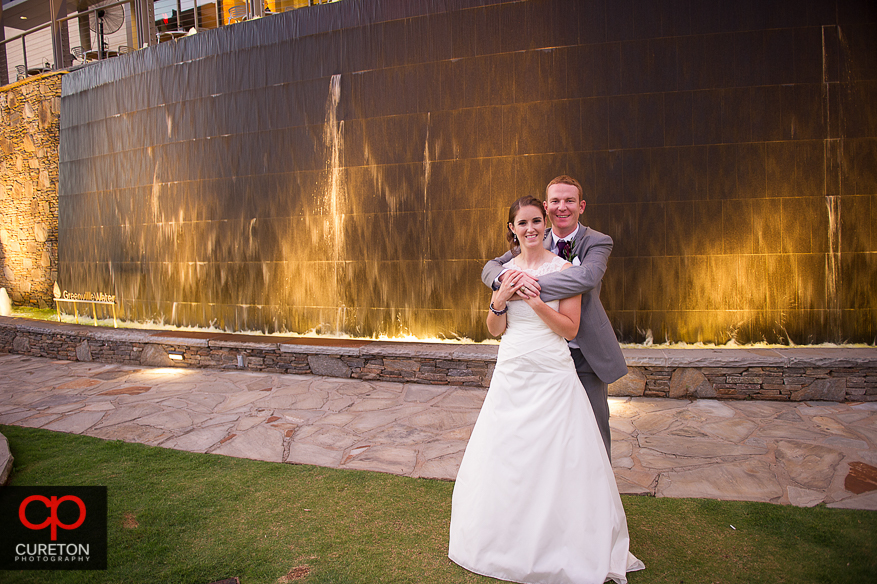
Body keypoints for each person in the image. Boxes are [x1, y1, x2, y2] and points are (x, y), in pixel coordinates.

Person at [449, 195, 642, 583]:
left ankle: (563, 539)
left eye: (537, 221)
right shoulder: (503, 271)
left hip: (553, 372)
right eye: (523, 223)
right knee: (508, 452)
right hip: (513, 369)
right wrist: (500, 300)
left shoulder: (565, 269)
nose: (531, 228)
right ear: (512, 229)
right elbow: (493, 329)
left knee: (561, 455)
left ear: (545, 224)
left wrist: (535, 300)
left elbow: (570, 329)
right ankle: (506, 537)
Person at [481, 175, 626, 461]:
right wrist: (501, 287)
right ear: (546, 208)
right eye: (556, 201)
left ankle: (598, 498)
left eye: (569, 201)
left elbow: (585, 278)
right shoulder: (532, 235)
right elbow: (490, 268)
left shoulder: (598, 242)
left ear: (581, 206)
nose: (563, 207)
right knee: (542, 439)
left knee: (593, 431)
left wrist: (523, 288)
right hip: (536, 356)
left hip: (585, 352)